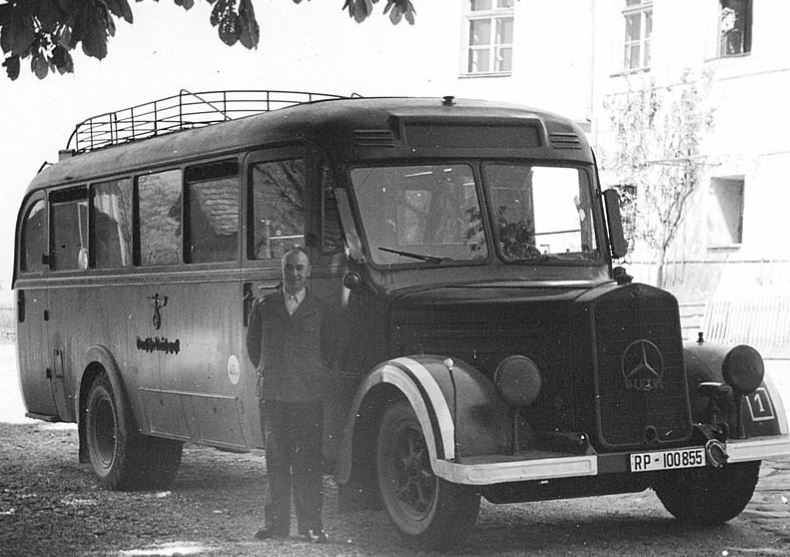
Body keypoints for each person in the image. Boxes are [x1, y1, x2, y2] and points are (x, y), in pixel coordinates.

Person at [246, 247, 333, 543]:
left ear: (308, 273)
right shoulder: (264, 305)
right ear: (282, 272)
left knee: (308, 462)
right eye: (289, 268)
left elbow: (330, 350)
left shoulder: (321, 308)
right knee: (276, 461)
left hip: (308, 398)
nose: (294, 274)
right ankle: (275, 525)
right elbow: (253, 347)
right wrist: (270, 372)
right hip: (274, 396)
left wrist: (312, 374)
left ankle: (311, 526)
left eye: (300, 268)